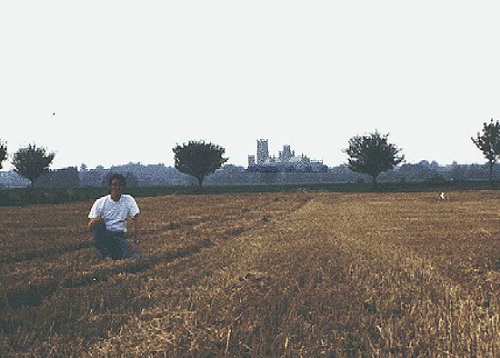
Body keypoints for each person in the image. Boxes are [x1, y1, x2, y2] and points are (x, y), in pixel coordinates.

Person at [88, 174, 142, 259]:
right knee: (97, 224)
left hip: (119, 236)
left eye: (120, 184)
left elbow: (137, 219)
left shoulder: (129, 200)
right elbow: (90, 227)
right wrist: (94, 221)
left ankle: (112, 255)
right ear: (110, 186)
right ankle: (106, 253)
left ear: (123, 187)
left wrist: (136, 242)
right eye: (114, 184)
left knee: (135, 257)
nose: (117, 187)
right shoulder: (100, 202)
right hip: (105, 235)